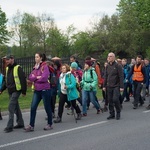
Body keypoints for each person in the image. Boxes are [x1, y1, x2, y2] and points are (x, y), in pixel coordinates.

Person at [24, 53, 53, 131]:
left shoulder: (44, 66)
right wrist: (37, 77)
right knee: (33, 107)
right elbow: (30, 77)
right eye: (35, 57)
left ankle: (50, 124)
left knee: (47, 107)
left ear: (41, 58)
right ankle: (31, 125)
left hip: (45, 90)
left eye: (37, 57)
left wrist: (35, 78)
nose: (35, 58)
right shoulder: (35, 67)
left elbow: (44, 78)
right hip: (37, 90)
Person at [3, 55, 27, 133]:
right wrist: (2, 89)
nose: (6, 61)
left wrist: (24, 91)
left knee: (11, 107)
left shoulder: (18, 68)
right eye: (5, 60)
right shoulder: (7, 68)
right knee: (16, 107)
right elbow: (6, 81)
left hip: (17, 90)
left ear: (12, 59)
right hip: (10, 90)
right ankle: (20, 123)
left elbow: (23, 79)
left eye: (8, 59)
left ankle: (9, 126)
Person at [103, 52, 124, 120]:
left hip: (116, 85)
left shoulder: (118, 65)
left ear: (114, 57)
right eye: (108, 56)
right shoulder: (107, 66)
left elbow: (121, 76)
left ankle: (118, 112)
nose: (109, 57)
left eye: (111, 56)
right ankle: (112, 114)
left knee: (115, 99)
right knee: (110, 100)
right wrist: (104, 86)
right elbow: (105, 76)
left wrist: (121, 87)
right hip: (109, 85)